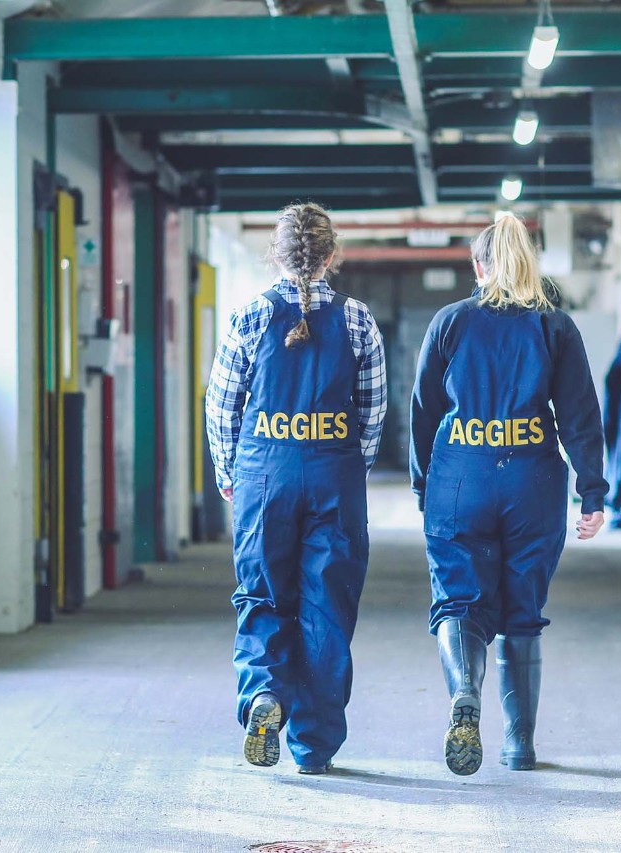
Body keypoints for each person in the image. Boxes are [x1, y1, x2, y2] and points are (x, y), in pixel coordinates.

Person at [410, 213, 607, 776]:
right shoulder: (555, 327)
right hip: (532, 480)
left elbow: (423, 411)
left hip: (461, 476)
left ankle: (463, 692)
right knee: (522, 612)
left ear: (478, 267)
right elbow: (580, 416)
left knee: (458, 601)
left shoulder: (450, 323)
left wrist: (424, 485)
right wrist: (592, 492)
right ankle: (519, 745)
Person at [206, 202, 386, 776]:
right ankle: (314, 747)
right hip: (334, 475)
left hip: (265, 473)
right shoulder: (358, 320)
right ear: (330, 256)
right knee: (326, 607)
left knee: (262, 595)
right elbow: (372, 412)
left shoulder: (249, 317)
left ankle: (264, 693)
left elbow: (222, 406)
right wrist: (349, 468)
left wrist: (230, 473)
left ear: (277, 256)